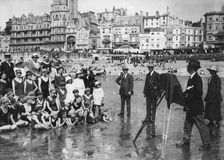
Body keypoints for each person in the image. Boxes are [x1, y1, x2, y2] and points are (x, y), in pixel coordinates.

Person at [176, 60, 211, 151]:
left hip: (195, 107)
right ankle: (186, 141)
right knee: (187, 125)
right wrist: (183, 95)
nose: (187, 67)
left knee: (201, 125)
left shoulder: (197, 78)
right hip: (189, 107)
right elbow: (189, 90)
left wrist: (188, 96)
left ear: (191, 68)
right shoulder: (191, 78)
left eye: (188, 66)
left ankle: (207, 144)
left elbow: (199, 93)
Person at [143, 64, 160, 137]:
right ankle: (148, 119)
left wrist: (157, 88)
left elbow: (160, 84)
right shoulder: (147, 75)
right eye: (148, 68)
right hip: (148, 94)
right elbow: (146, 85)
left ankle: (153, 120)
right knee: (148, 107)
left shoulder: (156, 75)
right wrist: (144, 92)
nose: (149, 69)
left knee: (154, 107)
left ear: (153, 68)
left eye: (150, 68)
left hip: (154, 94)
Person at [204, 65, 223, 132]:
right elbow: (209, 88)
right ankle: (211, 122)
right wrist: (207, 96)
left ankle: (217, 122)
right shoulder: (210, 78)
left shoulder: (217, 78)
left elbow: (218, 88)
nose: (209, 71)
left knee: (216, 110)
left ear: (214, 71)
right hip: (210, 96)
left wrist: (214, 96)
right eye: (209, 70)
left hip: (216, 97)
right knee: (209, 109)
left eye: (211, 70)